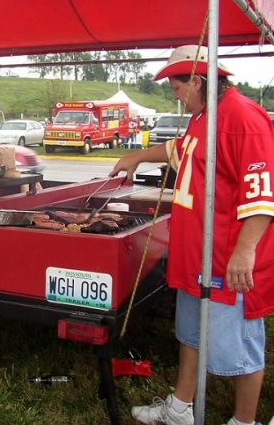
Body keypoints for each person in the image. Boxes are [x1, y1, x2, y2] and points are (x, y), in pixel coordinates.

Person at [110, 45, 274, 425]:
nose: (175, 94)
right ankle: (181, 408)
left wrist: (244, 251)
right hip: (195, 255)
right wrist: (136, 157)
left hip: (225, 258)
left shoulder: (241, 118)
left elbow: (262, 193)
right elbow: (178, 150)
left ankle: (244, 420)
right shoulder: (203, 117)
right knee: (190, 333)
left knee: (241, 347)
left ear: (198, 82)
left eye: (177, 86)